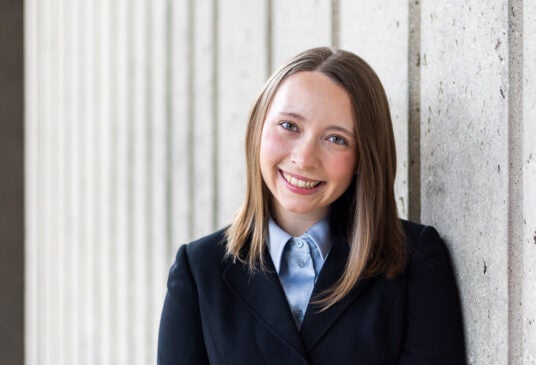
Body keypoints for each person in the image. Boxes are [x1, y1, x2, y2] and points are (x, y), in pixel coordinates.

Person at [158, 47, 466, 365]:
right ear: (257, 130)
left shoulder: (413, 260)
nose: (304, 159)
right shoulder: (199, 270)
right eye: (289, 126)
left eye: (335, 139)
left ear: (364, 157)